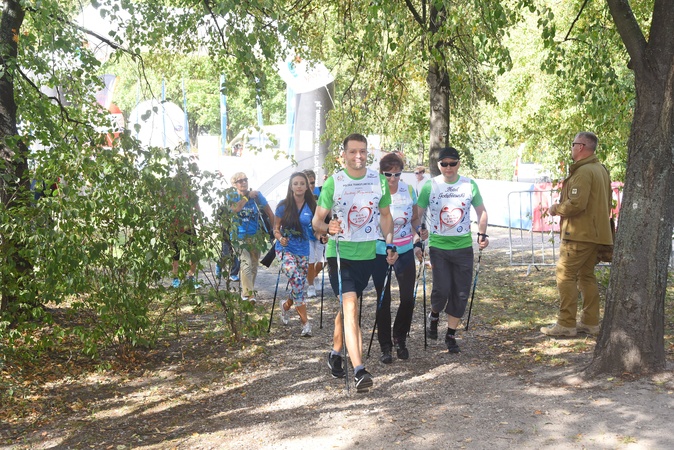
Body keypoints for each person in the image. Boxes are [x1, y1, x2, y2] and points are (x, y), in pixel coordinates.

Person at [312, 133, 398, 392]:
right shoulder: (334, 182)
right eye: (353, 151)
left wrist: (390, 243)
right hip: (341, 255)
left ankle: (335, 351)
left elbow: (386, 216)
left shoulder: (378, 181)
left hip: (368, 254)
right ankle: (360, 370)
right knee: (351, 308)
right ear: (344, 155)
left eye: (362, 151)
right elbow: (317, 222)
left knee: (347, 308)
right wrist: (329, 227)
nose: (358, 156)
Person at [415, 146, 489, 353]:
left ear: (458, 164)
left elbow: (482, 212)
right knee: (442, 289)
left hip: (463, 247)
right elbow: (417, 215)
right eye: (444, 164)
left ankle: (450, 334)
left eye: (452, 163)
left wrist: (482, 234)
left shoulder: (469, 185)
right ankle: (434, 314)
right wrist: (418, 235)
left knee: (461, 292)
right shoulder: (430, 186)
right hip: (439, 246)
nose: (448, 167)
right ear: (439, 165)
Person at [540, 132, 612, 337]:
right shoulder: (600, 169)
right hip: (595, 234)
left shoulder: (583, 171)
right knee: (586, 276)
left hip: (579, 235)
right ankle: (590, 322)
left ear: (581, 147)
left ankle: (566, 323)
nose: (571, 148)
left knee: (565, 274)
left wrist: (555, 208)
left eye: (573, 144)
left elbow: (576, 204)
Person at [372, 153, 423, 363]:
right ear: (381, 173)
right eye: (388, 174)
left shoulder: (408, 190)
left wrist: (419, 233)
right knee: (383, 299)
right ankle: (385, 345)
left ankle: (400, 338)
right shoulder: (375, 191)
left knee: (408, 298)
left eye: (397, 174)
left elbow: (415, 218)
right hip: (380, 249)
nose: (392, 178)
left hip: (404, 248)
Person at [274, 172, 317, 337]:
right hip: (285, 249)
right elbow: (275, 229)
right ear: (291, 187)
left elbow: (316, 227)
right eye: (295, 183)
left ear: (307, 187)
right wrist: (280, 238)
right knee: (298, 281)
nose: (299, 186)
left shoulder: (312, 206)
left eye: (302, 183)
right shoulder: (283, 205)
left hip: (303, 250)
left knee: (298, 285)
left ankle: (285, 306)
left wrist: (322, 235)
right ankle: (306, 324)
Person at [229, 172, 275, 303]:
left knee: (254, 266)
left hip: (256, 236)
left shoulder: (257, 196)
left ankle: (247, 293)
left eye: (245, 180)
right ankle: (249, 295)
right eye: (240, 181)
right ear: (234, 184)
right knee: (246, 264)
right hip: (239, 236)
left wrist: (273, 231)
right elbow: (236, 209)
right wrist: (246, 197)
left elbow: (270, 213)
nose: (243, 182)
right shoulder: (231, 196)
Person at [170, 169, 201, 288]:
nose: (183, 183)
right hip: (174, 229)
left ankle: (191, 277)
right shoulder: (171, 194)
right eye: (180, 180)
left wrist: (201, 223)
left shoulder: (191, 194)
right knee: (175, 255)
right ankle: (175, 279)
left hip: (189, 227)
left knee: (193, 253)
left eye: (185, 180)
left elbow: (198, 209)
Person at [303, 169, 325, 298]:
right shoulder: (300, 195)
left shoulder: (320, 191)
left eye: (312, 182)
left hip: (320, 232)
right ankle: (310, 285)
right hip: (307, 234)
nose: (310, 186)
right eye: (307, 183)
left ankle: (315, 275)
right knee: (310, 261)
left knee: (324, 260)